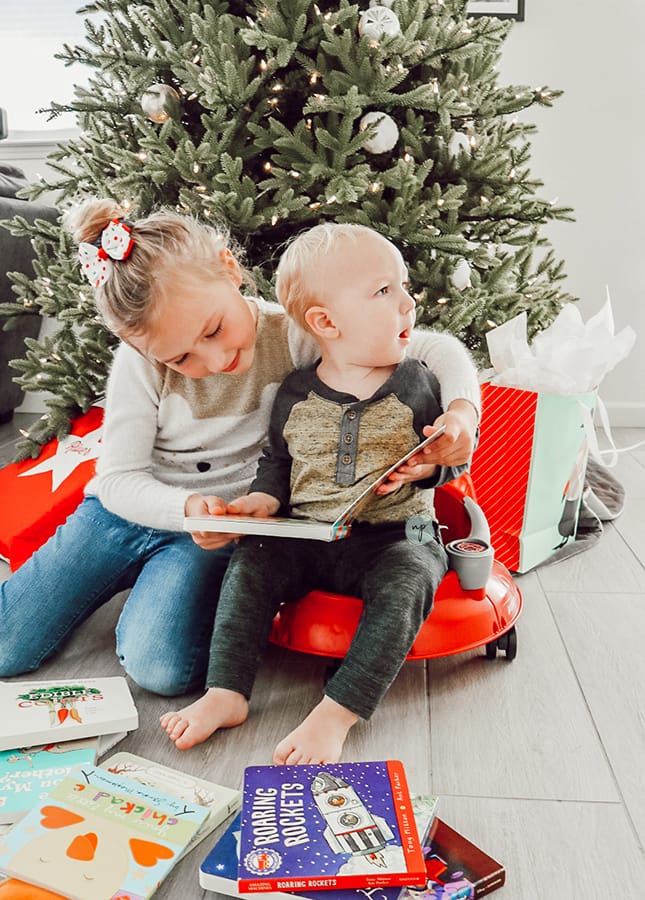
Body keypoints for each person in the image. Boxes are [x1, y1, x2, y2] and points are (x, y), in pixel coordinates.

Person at [0, 203, 480, 697]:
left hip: (213, 532)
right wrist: (183, 508)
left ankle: (151, 592)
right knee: (6, 646)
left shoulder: (294, 335)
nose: (214, 360)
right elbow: (118, 479)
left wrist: (462, 410)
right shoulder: (138, 364)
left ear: (230, 270)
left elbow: (432, 349)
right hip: (119, 517)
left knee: (163, 672)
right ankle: (113, 581)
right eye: (180, 357)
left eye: (213, 330)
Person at [161, 222, 478, 762]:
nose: (407, 301)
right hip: (308, 532)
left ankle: (337, 713)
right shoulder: (295, 391)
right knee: (252, 559)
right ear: (325, 323)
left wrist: (432, 467)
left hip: (396, 535)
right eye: (385, 291)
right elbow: (278, 463)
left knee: (409, 581)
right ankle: (226, 691)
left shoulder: (420, 382)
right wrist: (260, 504)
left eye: (402, 287)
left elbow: (450, 465)